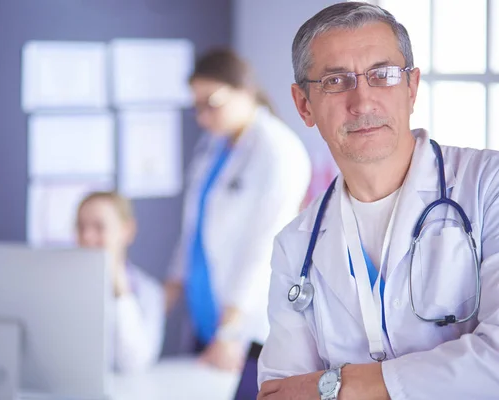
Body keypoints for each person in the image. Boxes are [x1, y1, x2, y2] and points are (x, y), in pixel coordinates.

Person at [257, 2, 499, 399]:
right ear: (304, 105)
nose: (363, 102)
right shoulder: (294, 245)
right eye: (336, 81)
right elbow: (279, 392)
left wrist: (339, 385)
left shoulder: (487, 185)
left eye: (382, 75)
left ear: (412, 87)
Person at [164, 48, 312, 371]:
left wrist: (230, 330)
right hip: (207, 317)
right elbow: (195, 230)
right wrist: (163, 298)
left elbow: (265, 246)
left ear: (244, 90)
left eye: (212, 103)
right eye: (197, 107)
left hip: (247, 328)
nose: (203, 117)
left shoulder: (278, 150)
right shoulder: (213, 146)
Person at [76, 191, 164, 373]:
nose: (86, 237)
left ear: (126, 230)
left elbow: (135, 363)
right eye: (80, 227)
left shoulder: (149, 292)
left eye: (99, 227)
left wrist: (120, 290)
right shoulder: (60, 286)